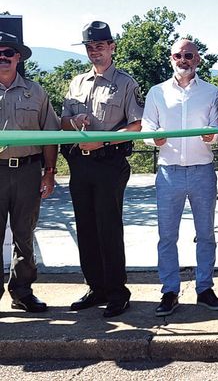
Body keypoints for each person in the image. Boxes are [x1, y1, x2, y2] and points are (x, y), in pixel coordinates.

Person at [61, 21, 143, 318]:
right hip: (80, 164)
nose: (94, 52)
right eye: (90, 47)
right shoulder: (76, 82)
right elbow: (62, 121)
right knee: (86, 227)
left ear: (112, 47)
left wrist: (102, 142)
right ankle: (95, 286)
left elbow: (136, 125)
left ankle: (117, 291)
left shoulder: (125, 83)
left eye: (100, 46)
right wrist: (74, 121)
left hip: (110, 162)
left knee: (108, 228)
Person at [142, 39, 218, 317]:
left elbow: (215, 128)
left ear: (198, 59)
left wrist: (211, 135)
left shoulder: (212, 92)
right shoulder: (157, 92)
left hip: (202, 170)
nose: (183, 59)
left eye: (188, 55)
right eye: (178, 55)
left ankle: (204, 288)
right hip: (168, 172)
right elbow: (147, 127)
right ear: (170, 59)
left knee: (206, 234)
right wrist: (155, 139)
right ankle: (169, 290)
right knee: (167, 236)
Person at [0, 31, 60, 313]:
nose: (2, 57)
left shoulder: (35, 92)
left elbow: (49, 135)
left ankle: (22, 291)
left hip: (27, 171)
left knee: (24, 235)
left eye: (8, 53)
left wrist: (49, 172)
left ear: (18, 57)